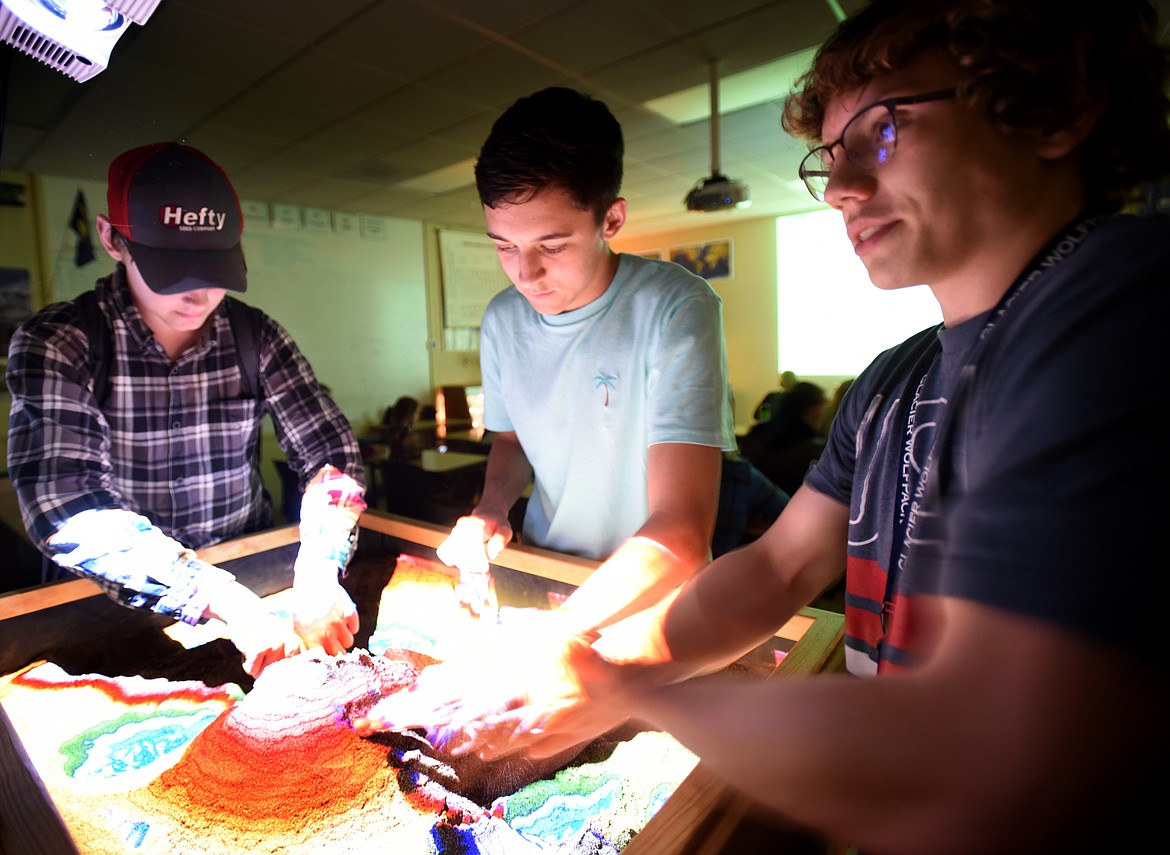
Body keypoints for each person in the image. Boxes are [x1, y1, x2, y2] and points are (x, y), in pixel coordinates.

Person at [363, 2, 1170, 851]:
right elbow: (776, 567)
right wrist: (598, 665)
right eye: (832, 156)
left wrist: (635, 690)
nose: (846, 188)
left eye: (884, 130)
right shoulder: (891, 382)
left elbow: (981, 758)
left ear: (1055, 106)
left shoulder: (1122, 306)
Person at [362, 84, 734, 708]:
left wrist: (554, 640)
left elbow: (682, 532)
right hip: (546, 575)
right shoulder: (504, 319)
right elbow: (513, 439)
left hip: (649, 602)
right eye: (503, 245)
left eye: (551, 246)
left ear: (610, 219)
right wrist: (492, 507)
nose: (525, 273)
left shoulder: (675, 306)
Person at [6, 142, 367, 678]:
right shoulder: (63, 341)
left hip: (252, 584)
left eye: (214, 268)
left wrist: (318, 569)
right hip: (105, 618)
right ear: (112, 239)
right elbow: (68, 504)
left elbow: (331, 458)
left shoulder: (256, 336)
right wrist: (221, 600)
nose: (198, 294)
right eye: (171, 268)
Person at [738, 380, 828, 495]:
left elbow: (758, 416)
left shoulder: (759, 434)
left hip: (756, 503)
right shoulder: (813, 446)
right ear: (812, 408)